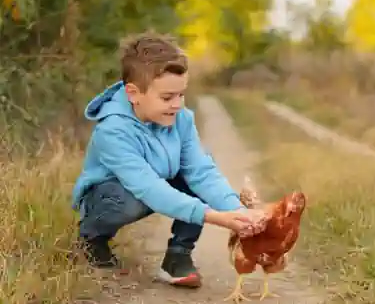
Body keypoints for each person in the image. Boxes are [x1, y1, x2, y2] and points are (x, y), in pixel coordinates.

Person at [71, 32, 268, 288]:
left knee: (194, 180)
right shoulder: (113, 130)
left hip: (153, 187)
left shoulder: (182, 120)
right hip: (111, 196)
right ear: (133, 93)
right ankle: (91, 239)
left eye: (181, 95)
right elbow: (149, 188)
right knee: (129, 200)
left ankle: (178, 256)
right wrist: (216, 217)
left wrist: (237, 212)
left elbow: (201, 172)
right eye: (167, 97)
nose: (177, 105)